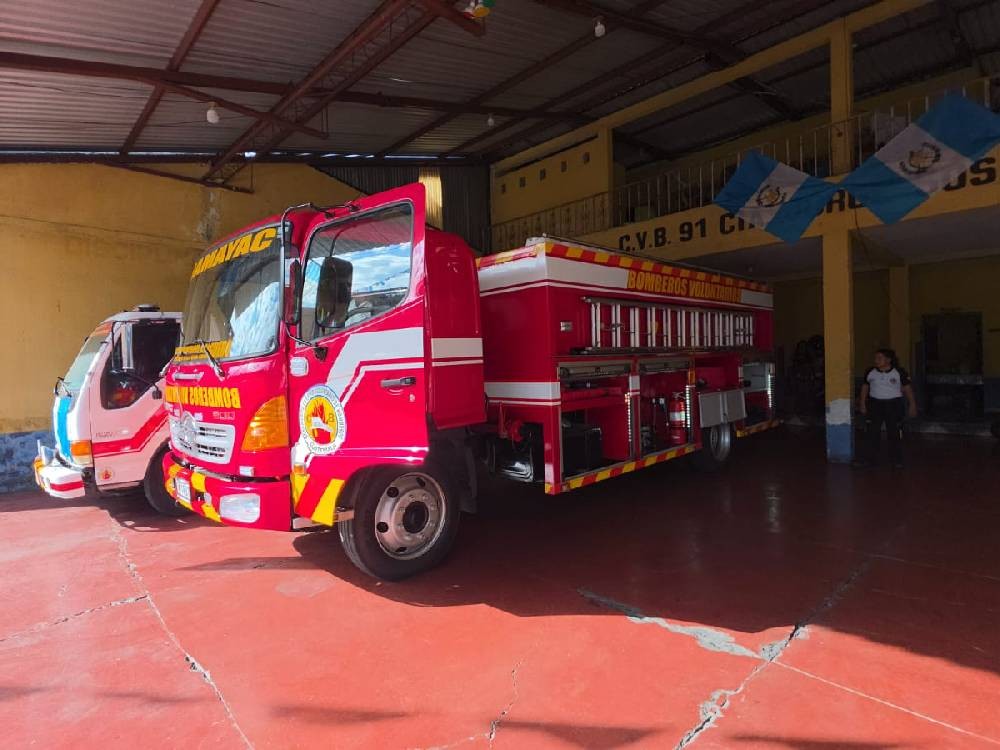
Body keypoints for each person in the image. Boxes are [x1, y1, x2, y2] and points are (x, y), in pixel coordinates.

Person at [854, 348, 917, 469]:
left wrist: (912, 405)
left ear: (888, 360)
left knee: (894, 432)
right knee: (872, 433)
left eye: (880, 358)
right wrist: (862, 403)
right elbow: (865, 387)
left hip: (893, 405)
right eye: (875, 358)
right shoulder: (870, 372)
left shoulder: (899, 372)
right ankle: (868, 460)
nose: (876, 360)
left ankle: (897, 460)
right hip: (875, 405)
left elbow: (907, 389)